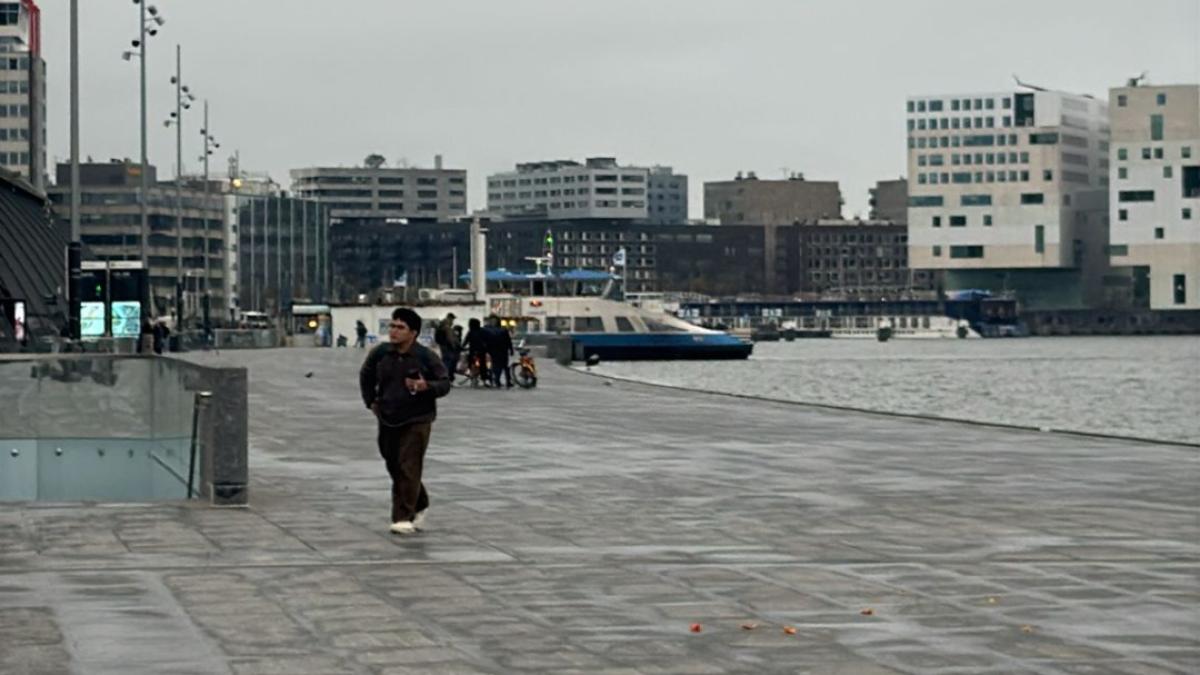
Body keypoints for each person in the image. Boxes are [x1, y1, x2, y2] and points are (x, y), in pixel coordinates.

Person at [359, 308, 451, 535]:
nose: (394, 332)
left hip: (417, 418)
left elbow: (444, 383)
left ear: (413, 333)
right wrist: (370, 401)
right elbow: (366, 375)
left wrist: (425, 387)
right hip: (388, 416)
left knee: (408, 465)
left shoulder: (425, 356)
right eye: (392, 326)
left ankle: (402, 517)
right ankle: (420, 502)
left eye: (400, 328)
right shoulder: (381, 353)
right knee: (393, 463)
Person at [483, 315, 514, 389]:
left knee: (504, 367)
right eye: (492, 320)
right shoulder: (487, 329)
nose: (493, 322)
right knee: (495, 366)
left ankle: (506, 381)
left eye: (494, 320)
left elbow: (508, 340)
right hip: (493, 350)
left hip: (502, 350)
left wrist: (511, 349)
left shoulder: (502, 330)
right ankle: (497, 380)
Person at [433, 313, 460, 384]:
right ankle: (446, 378)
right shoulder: (446, 326)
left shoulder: (441, 325)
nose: (453, 321)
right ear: (449, 318)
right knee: (448, 363)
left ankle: (444, 378)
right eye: (452, 319)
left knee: (445, 361)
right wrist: (453, 346)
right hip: (447, 347)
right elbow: (449, 337)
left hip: (443, 346)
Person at [463, 317, 490, 385]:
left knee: (471, 363)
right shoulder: (482, 331)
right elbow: (487, 340)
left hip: (472, 350)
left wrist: (462, 347)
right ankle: (484, 380)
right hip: (481, 351)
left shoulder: (470, 332)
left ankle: (472, 376)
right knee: (483, 365)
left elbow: (466, 341)